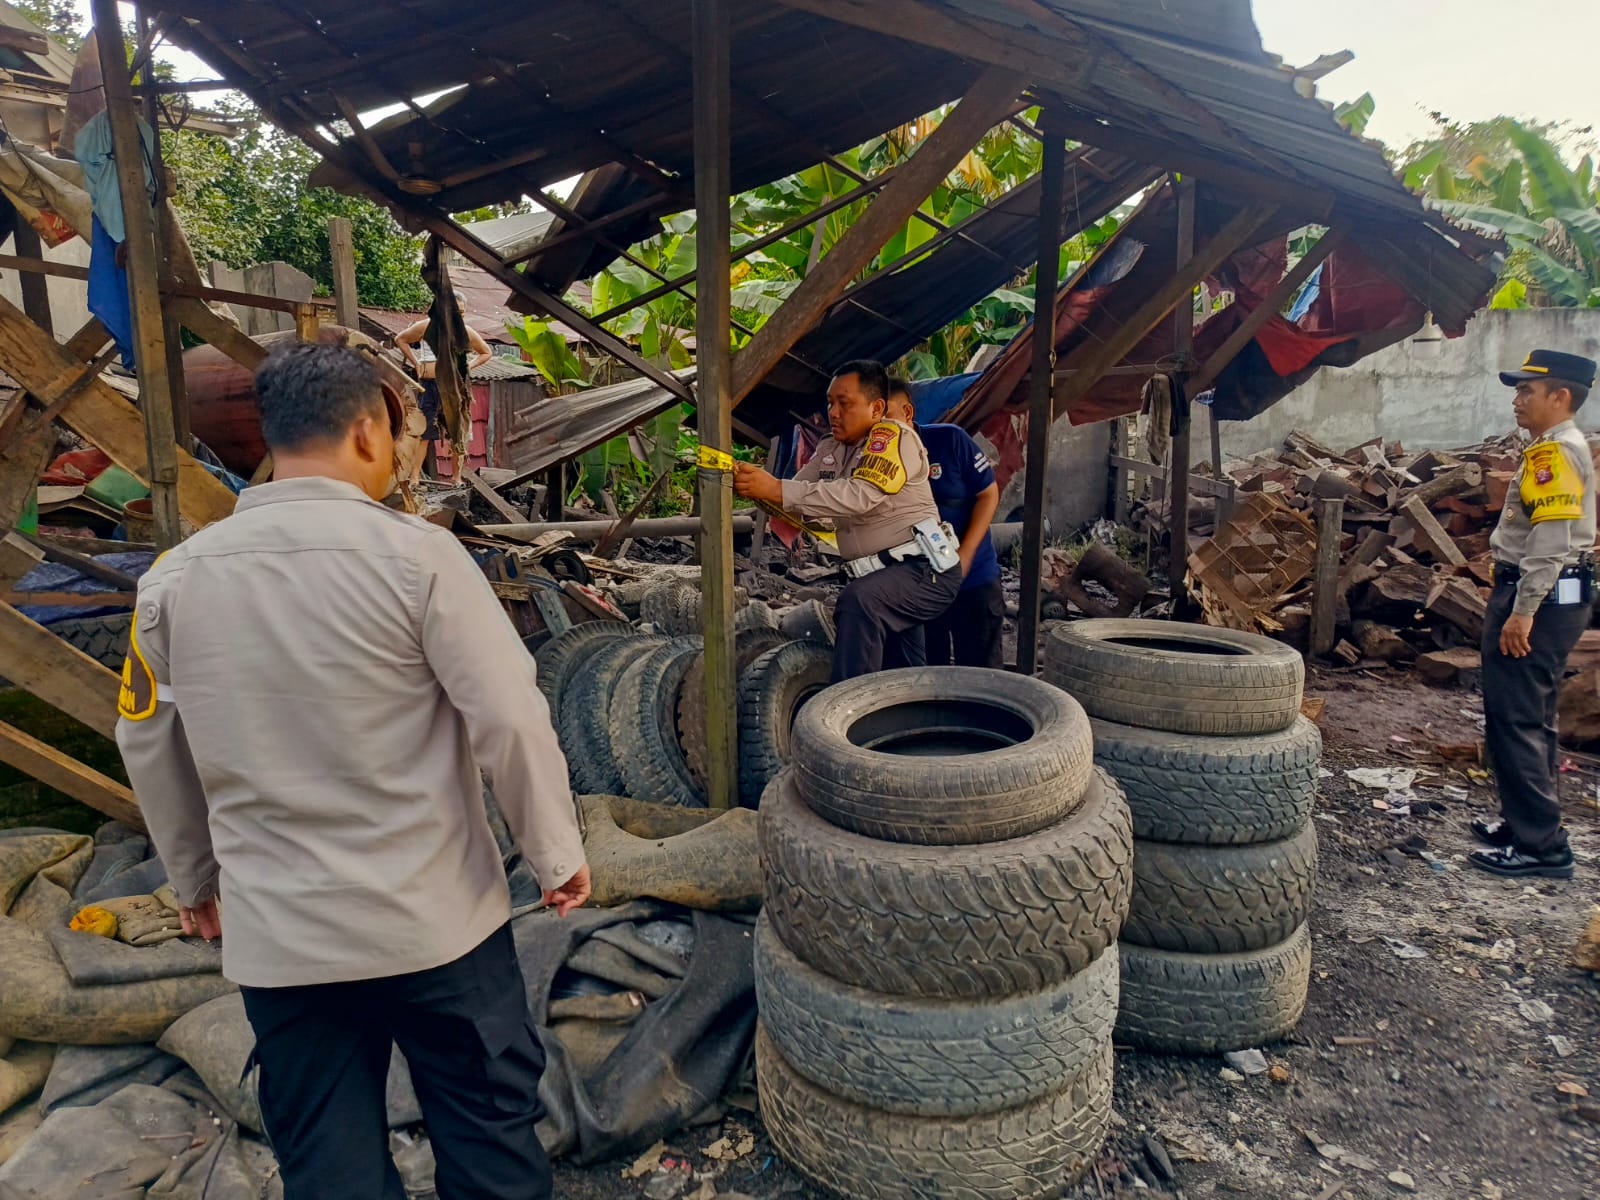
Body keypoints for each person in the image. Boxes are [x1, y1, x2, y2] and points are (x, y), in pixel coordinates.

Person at [116, 343, 589, 1200]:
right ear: (370, 430)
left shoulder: (172, 582)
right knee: (487, 1138)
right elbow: (511, 718)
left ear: (273, 436)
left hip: (282, 938)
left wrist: (194, 882)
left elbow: (147, 740)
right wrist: (556, 854)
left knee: (329, 1164)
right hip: (436, 923)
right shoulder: (421, 559)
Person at [733, 359, 961, 681]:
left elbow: (859, 496)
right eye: (830, 403)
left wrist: (777, 489)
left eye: (845, 403)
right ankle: (917, 719)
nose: (834, 412)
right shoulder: (831, 448)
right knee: (904, 670)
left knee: (859, 603)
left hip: (923, 570)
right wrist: (760, 488)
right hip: (888, 575)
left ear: (876, 407)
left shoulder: (891, 438)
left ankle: (842, 715)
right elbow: (798, 498)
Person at [1469, 348, 1597, 880]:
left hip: (1539, 595)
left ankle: (1541, 846)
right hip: (1555, 594)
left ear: (1559, 397)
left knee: (1516, 717)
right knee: (1531, 717)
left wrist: (1523, 611)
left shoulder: (1552, 453)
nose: (1517, 401)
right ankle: (1527, 825)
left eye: (1527, 391)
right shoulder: (1556, 447)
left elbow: (1550, 540)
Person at [885, 377, 1003, 668]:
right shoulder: (873, 461)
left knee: (982, 678)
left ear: (908, 413)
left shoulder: (950, 440)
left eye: (887, 415)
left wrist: (965, 558)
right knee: (926, 674)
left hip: (973, 579)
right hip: (919, 586)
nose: (880, 427)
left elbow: (988, 496)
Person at [396, 292, 494, 483]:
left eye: (462, 313)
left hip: (455, 387)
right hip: (429, 386)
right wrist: (416, 363)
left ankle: (456, 479)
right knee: (424, 432)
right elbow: (401, 339)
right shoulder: (426, 326)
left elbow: (486, 352)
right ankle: (415, 477)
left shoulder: (466, 332)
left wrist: (467, 367)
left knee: (457, 434)